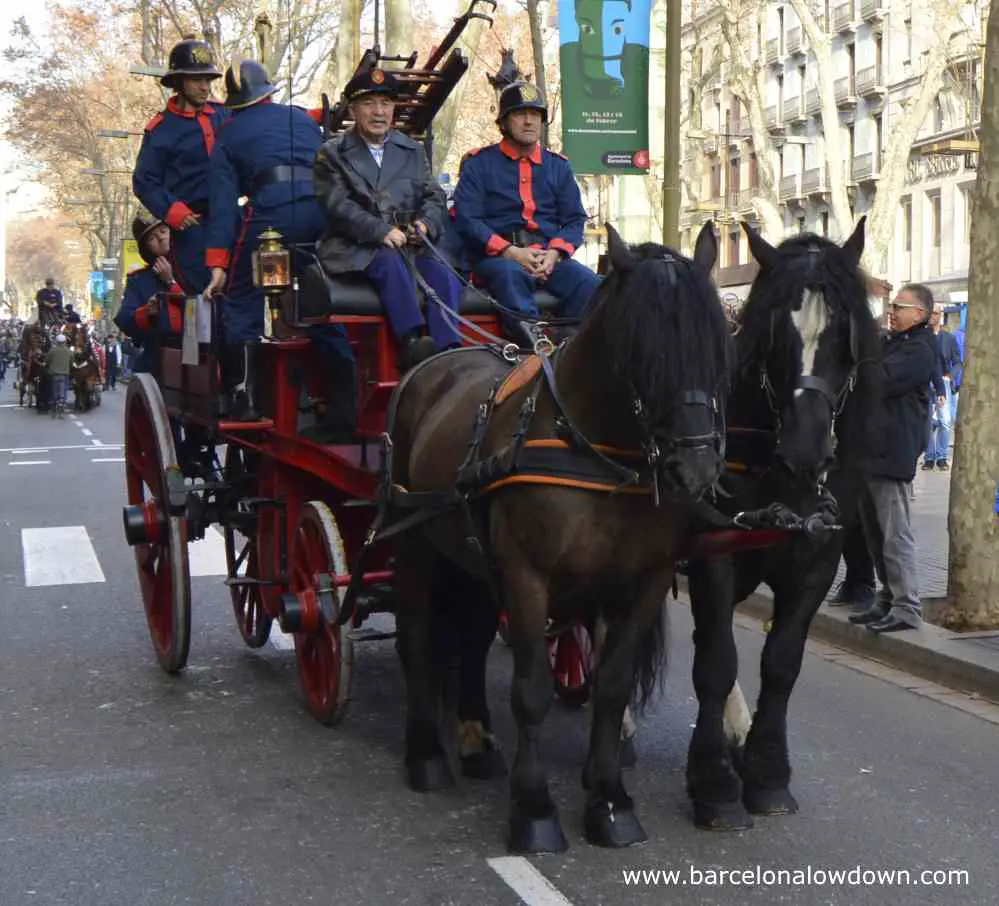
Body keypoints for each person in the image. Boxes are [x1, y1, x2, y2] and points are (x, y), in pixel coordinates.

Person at [203, 58, 354, 428]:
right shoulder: (302, 118)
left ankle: (243, 396)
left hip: (272, 216)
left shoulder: (228, 134)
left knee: (242, 299)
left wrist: (217, 263)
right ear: (268, 91)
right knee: (321, 301)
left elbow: (223, 206)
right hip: (322, 212)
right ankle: (343, 400)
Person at [314, 67, 463, 371]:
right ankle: (412, 342)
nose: (379, 112)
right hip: (357, 247)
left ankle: (450, 353)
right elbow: (337, 206)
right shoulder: (332, 153)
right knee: (388, 262)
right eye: (369, 104)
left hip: (411, 244)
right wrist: (380, 231)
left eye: (386, 104)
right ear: (354, 109)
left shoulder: (412, 150)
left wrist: (425, 225)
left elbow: (434, 196)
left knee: (443, 273)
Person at [453, 81, 601, 346]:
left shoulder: (559, 167)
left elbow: (574, 219)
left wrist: (554, 254)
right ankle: (534, 350)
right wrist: (511, 251)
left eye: (535, 115)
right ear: (504, 122)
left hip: (548, 257)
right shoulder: (479, 164)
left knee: (591, 284)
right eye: (521, 114)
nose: (529, 121)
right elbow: (467, 219)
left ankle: (568, 346)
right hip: (498, 259)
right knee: (512, 276)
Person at [849, 284, 939, 633]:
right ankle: (887, 598)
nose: (892, 311)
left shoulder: (920, 349)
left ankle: (907, 606)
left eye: (899, 306)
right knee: (875, 536)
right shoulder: (892, 343)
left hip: (893, 453)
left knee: (895, 535)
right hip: (871, 451)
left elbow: (877, 380)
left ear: (919, 314)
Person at [133, 38, 226, 295]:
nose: (205, 87)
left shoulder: (224, 114)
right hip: (192, 230)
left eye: (208, 80)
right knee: (200, 297)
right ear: (179, 82)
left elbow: (260, 120)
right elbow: (143, 181)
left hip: (230, 222)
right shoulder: (161, 129)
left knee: (240, 296)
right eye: (197, 80)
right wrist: (172, 211)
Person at [113, 211, 185, 374]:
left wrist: (170, 282)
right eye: (152, 238)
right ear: (146, 248)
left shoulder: (195, 267)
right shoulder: (139, 279)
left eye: (163, 231)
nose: (160, 238)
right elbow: (124, 318)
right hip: (157, 359)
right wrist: (146, 313)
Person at [922, 304, 960, 471]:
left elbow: (958, 361)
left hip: (943, 382)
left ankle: (942, 456)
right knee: (928, 422)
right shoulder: (922, 337)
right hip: (925, 382)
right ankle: (929, 457)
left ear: (941, 315)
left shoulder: (949, 338)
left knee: (944, 422)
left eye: (935, 313)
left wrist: (949, 376)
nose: (932, 316)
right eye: (930, 313)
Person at [46, 333, 71, 416]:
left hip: (54, 373)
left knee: (54, 389)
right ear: (65, 342)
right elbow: (72, 361)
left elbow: (47, 360)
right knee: (64, 389)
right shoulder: (68, 351)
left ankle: (55, 402)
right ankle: (63, 403)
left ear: (56, 341)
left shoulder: (52, 350)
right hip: (64, 373)